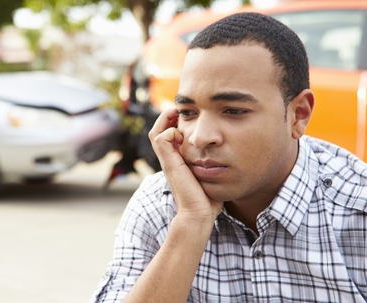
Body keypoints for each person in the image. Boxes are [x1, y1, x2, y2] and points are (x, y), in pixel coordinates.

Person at [90, 12, 367, 303]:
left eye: (233, 110)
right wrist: (191, 223)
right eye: (188, 112)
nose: (199, 136)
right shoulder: (160, 203)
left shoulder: (357, 211)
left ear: (299, 114)